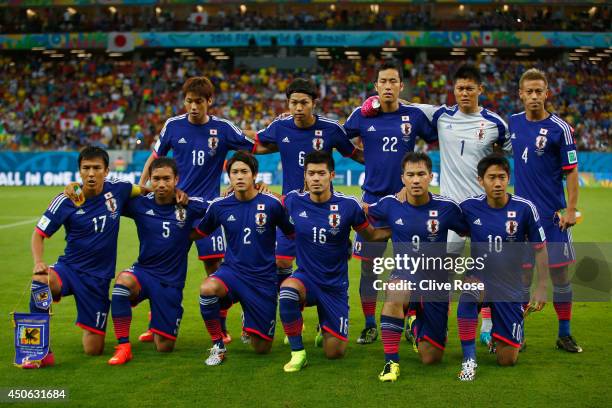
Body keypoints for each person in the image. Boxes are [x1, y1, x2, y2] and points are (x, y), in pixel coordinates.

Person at [362, 64, 512, 346]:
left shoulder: (495, 124)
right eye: (459, 88)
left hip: (482, 209)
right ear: (453, 90)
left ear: (481, 89)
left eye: (470, 88)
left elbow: (513, 151)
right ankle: (430, 324)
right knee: (438, 276)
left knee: (488, 270)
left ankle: (491, 326)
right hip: (447, 213)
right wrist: (371, 102)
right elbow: (403, 102)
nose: (464, 93)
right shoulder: (442, 115)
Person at [137, 76, 256, 343]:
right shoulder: (173, 125)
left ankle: (221, 327)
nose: (193, 106)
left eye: (198, 101)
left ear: (209, 102)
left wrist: (246, 181)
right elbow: (155, 158)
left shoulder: (223, 128)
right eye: (189, 101)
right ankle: (156, 323)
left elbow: (253, 148)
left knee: (215, 268)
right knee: (161, 267)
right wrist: (143, 184)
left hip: (207, 211)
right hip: (173, 209)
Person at [344, 61, 437, 344]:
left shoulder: (414, 116)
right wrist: (360, 156)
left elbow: (438, 134)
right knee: (369, 267)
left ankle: (410, 319)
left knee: (410, 266)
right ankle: (371, 324)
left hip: (407, 204)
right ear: (375, 86)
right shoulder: (362, 115)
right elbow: (337, 136)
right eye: (382, 81)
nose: (387, 86)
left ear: (400, 85)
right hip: (372, 203)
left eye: (392, 81)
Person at [26, 146, 139, 368]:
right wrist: (39, 262)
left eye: (96, 168)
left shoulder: (119, 189)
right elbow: (38, 235)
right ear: (79, 171)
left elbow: (143, 190)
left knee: (93, 350)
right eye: (86, 168)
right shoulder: (67, 198)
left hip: (98, 281)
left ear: (106, 171)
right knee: (41, 282)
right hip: (69, 269)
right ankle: (40, 350)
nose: (91, 173)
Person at [279, 151, 389, 372]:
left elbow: (372, 235)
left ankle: (325, 326)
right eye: (311, 173)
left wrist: (398, 225)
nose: (316, 178)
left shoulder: (348, 205)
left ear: (332, 175)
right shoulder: (292, 200)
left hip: (335, 286)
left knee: (334, 353)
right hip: (306, 279)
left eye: (321, 173)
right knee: (287, 291)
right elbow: (267, 204)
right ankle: (298, 352)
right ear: (305, 177)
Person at [250, 78, 362, 289]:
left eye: (304, 102)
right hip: (290, 207)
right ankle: (288, 303)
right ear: (288, 103)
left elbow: (354, 154)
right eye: (294, 103)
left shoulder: (331, 129)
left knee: (324, 263)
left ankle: (329, 309)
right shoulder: (280, 126)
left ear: (314, 103)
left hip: (323, 208)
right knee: (282, 260)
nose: (299, 108)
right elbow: (256, 141)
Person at [369, 152, 469, 382]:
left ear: (430, 177)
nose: (416, 180)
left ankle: (414, 324)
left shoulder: (447, 208)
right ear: (402, 178)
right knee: (395, 292)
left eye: (421, 174)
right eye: (410, 175)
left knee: (431, 358)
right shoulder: (390, 204)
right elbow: (361, 211)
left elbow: (471, 228)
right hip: (404, 275)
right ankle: (391, 362)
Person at [195, 151, 294, 365]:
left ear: (254, 175)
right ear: (228, 176)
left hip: (262, 279)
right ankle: (217, 344)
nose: (239, 176)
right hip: (232, 272)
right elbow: (198, 233)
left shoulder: (272, 204)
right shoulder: (219, 205)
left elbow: (293, 233)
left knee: (262, 349)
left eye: (244, 172)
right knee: (207, 288)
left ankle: (248, 315)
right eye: (234, 172)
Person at [456, 154, 548, 381]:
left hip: (510, 285)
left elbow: (541, 248)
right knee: (468, 292)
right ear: (480, 180)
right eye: (491, 178)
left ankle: (505, 331)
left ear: (508, 178)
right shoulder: (468, 207)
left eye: (502, 177)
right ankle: (469, 360)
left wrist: (542, 286)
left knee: (507, 360)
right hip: (479, 276)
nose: (497, 183)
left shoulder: (525, 208)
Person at [107, 157, 207, 365]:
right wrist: (76, 188)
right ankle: (123, 346)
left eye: (167, 179)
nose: (161, 184)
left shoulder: (189, 205)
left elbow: (221, 208)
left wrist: (198, 233)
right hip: (143, 272)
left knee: (164, 347)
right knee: (121, 287)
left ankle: (159, 321)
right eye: (156, 179)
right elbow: (106, 194)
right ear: (150, 180)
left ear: (176, 179)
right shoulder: (139, 205)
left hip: (170, 282)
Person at [508, 68, 581, 352]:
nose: (535, 96)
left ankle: (564, 333)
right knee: (523, 277)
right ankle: (518, 333)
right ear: (521, 94)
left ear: (547, 93)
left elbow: (572, 172)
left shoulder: (559, 129)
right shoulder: (512, 123)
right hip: (523, 219)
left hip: (553, 218)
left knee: (561, 276)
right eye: (530, 91)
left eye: (540, 91)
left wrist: (571, 210)